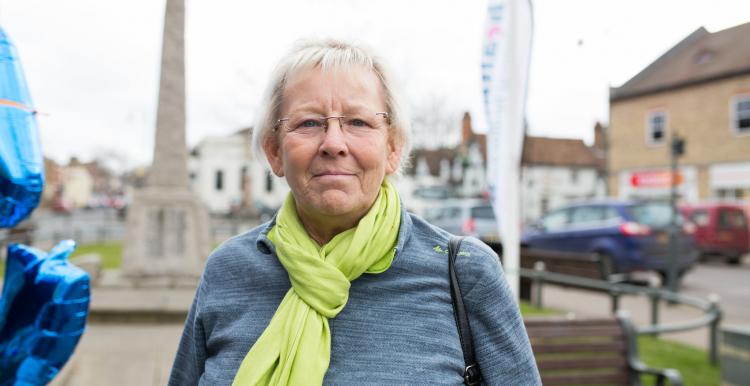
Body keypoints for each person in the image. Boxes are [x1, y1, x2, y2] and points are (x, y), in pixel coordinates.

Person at [168, 39, 540, 385]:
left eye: (358, 122)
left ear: (393, 148)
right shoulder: (227, 272)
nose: (333, 143)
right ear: (274, 151)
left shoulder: (464, 272)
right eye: (309, 122)